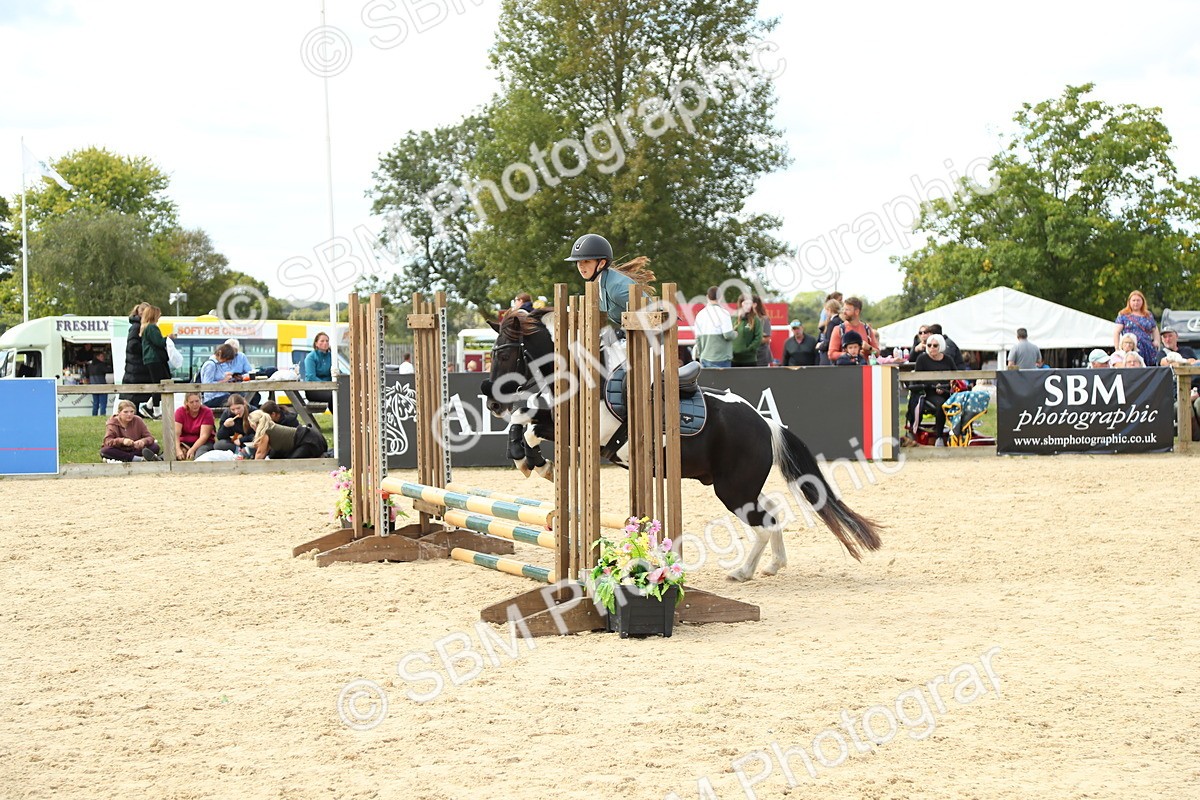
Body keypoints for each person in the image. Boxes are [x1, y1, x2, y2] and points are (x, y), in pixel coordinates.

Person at [563, 233, 655, 330]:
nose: (581, 266)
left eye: (586, 261)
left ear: (602, 263)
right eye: (578, 262)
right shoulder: (598, 285)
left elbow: (652, 316)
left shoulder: (616, 289)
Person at [911, 333, 957, 445]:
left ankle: (958, 434)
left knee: (957, 402)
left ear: (940, 346)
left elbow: (955, 376)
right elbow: (919, 379)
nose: (932, 348)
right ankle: (939, 437)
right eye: (929, 345)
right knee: (940, 404)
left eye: (935, 345)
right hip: (928, 392)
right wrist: (935, 385)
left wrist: (947, 385)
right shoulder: (922, 359)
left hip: (947, 391)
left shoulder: (948, 359)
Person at [247, 410, 328, 459]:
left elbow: (260, 454)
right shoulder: (270, 427)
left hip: (308, 441)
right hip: (310, 437)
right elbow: (266, 451)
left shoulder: (265, 432)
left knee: (292, 464)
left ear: (254, 424)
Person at [120, 302, 153, 415]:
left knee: (138, 397)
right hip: (136, 368)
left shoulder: (140, 326)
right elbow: (132, 345)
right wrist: (147, 348)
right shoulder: (136, 327)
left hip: (137, 368)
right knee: (134, 396)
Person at [691, 286, 736, 368]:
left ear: (707, 297)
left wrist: (701, 355)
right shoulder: (724, 313)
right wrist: (735, 333)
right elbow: (728, 335)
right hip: (722, 357)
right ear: (721, 297)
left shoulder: (700, 314)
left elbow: (697, 338)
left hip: (705, 356)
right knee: (723, 381)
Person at [1114, 290, 1159, 368]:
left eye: (1138, 300)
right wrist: (1117, 348)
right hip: (1131, 348)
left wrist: (1156, 341)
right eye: (1133, 300)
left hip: (1148, 348)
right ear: (1129, 302)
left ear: (1142, 302)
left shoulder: (1148, 315)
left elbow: (1154, 329)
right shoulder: (1123, 315)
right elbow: (1116, 332)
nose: (1136, 303)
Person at [139, 306, 170, 418]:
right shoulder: (152, 327)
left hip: (151, 359)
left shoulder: (145, 327)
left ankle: (149, 406)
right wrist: (169, 338)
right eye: (158, 314)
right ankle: (156, 411)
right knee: (161, 384)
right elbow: (159, 342)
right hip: (155, 358)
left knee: (160, 383)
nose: (160, 315)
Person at [827, 297, 878, 363]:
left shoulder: (867, 329)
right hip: (845, 370)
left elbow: (877, 353)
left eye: (847, 310)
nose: (844, 312)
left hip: (864, 371)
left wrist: (869, 348)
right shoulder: (839, 329)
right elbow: (831, 354)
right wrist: (849, 355)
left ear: (857, 312)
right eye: (843, 309)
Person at [198, 343, 246, 408]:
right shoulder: (210, 365)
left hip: (221, 395)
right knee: (238, 399)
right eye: (226, 359)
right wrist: (224, 381)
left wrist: (231, 379)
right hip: (212, 398)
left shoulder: (217, 364)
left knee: (247, 396)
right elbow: (207, 385)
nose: (225, 362)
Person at [174, 392, 216, 460]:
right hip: (184, 441)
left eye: (197, 401)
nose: (195, 404)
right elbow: (176, 434)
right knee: (171, 452)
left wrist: (192, 449)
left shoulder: (207, 412)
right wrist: (178, 449)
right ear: (186, 402)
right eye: (191, 402)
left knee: (200, 455)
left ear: (201, 400)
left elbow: (204, 436)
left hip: (203, 443)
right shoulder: (180, 412)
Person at [732, 295, 768, 367]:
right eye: (747, 303)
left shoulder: (755, 319)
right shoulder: (733, 318)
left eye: (750, 303)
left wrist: (749, 349)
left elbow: (758, 337)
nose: (749, 306)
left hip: (749, 360)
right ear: (741, 303)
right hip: (734, 359)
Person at [303, 331, 335, 409]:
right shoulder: (311, 357)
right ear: (316, 343)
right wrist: (326, 385)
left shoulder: (332, 356)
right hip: (313, 389)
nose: (325, 343)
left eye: (327, 341)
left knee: (342, 394)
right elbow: (311, 377)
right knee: (333, 396)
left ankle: (343, 419)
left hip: (330, 388)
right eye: (322, 341)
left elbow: (336, 372)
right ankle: (339, 419)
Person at [85, 351, 113, 416]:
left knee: (95, 403)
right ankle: (102, 416)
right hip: (102, 386)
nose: (103, 358)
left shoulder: (90, 366)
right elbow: (109, 370)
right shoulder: (101, 365)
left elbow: (86, 375)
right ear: (97, 357)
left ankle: (94, 416)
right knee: (103, 404)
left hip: (93, 387)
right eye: (102, 356)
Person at [815, 298, 843, 365]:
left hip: (829, 358)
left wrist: (819, 346)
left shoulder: (832, 323)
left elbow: (829, 342)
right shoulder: (841, 322)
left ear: (829, 310)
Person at [752, 296, 774, 366]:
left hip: (761, 357)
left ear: (755, 304)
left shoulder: (764, 319)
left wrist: (752, 341)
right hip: (749, 357)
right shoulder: (745, 319)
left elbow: (767, 339)